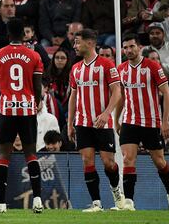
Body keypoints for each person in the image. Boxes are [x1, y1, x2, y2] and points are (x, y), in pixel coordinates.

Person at [115, 33, 169, 211]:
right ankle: (129, 202)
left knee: (159, 162)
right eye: (126, 47)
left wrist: (165, 121)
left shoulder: (152, 66)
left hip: (151, 122)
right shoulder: (121, 69)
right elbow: (120, 96)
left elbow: (167, 93)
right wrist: (116, 119)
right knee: (128, 159)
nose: (128, 50)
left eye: (131, 46)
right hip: (130, 121)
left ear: (139, 47)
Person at [0, 17, 44, 213]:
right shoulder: (34, 56)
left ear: (8, 34)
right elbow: (37, 86)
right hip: (27, 110)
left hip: (7, 110)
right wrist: (35, 103)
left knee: (4, 155)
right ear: (23, 34)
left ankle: (1, 204)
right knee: (31, 154)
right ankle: (37, 199)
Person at [67, 29, 124, 212]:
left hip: (103, 122)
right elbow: (73, 97)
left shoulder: (106, 65)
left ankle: (117, 192)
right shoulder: (75, 68)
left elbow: (117, 91)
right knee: (87, 161)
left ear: (90, 43)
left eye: (78, 42)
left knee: (109, 163)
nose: (75, 46)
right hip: (82, 122)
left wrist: (107, 113)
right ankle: (97, 203)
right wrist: (70, 123)